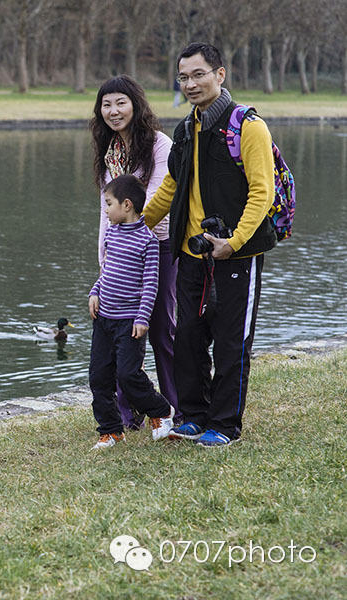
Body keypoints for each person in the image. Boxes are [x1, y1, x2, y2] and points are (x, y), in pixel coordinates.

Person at [142, 42, 277, 448]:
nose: (190, 84)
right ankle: (194, 416)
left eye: (199, 74)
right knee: (189, 337)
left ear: (220, 74)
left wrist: (233, 243)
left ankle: (225, 425)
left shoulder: (248, 127)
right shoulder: (186, 129)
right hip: (190, 253)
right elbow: (171, 186)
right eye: (183, 77)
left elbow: (262, 193)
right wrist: (135, 227)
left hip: (238, 254)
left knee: (232, 342)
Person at [89, 75, 179, 430]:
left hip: (159, 244)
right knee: (123, 332)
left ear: (136, 104)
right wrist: (106, 260)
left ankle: (176, 408)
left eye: (120, 103)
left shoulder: (159, 145)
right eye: (106, 104)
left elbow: (156, 201)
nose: (113, 111)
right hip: (122, 251)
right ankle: (130, 413)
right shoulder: (109, 151)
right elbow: (106, 209)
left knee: (159, 330)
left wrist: (131, 239)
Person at [88, 174, 174, 450]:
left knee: (128, 375)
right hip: (104, 319)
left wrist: (142, 317)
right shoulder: (112, 233)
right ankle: (111, 431)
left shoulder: (147, 241)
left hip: (129, 322)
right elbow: (108, 270)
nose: (105, 209)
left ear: (126, 205)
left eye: (109, 203)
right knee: (99, 376)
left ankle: (160, 410)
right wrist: (95, 291)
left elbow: (151, 284)